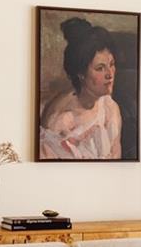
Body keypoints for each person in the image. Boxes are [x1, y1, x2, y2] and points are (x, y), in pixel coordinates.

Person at [39, 18, 124, 160]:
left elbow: (116, 159)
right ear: (81, 74)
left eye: (112, 64)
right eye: (100, 68)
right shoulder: (60, 121)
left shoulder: (109, 107)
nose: (110, 74)